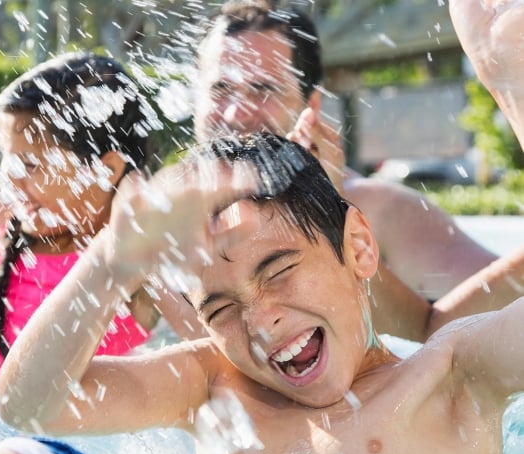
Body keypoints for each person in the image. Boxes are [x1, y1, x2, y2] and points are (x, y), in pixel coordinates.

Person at [0, 128, 521, 454]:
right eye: (219, 310)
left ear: (360, 247)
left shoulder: (452, 371)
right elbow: (27, 404)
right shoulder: (213, 383)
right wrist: (112, 263)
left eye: (280, 271)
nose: (260, 319)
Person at [189, 0, 524, 343]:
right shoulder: (161, 229)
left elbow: (509, 313)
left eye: (263, 90)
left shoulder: (381, 211)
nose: (234, 114)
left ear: (311, 106)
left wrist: (330, 214)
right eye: (220, 89)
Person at [0, 51, 159, 378]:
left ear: (107, 170)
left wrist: (132, 210)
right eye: (6, 157)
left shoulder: (136, 268)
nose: (9, 178)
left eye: (30, 164)